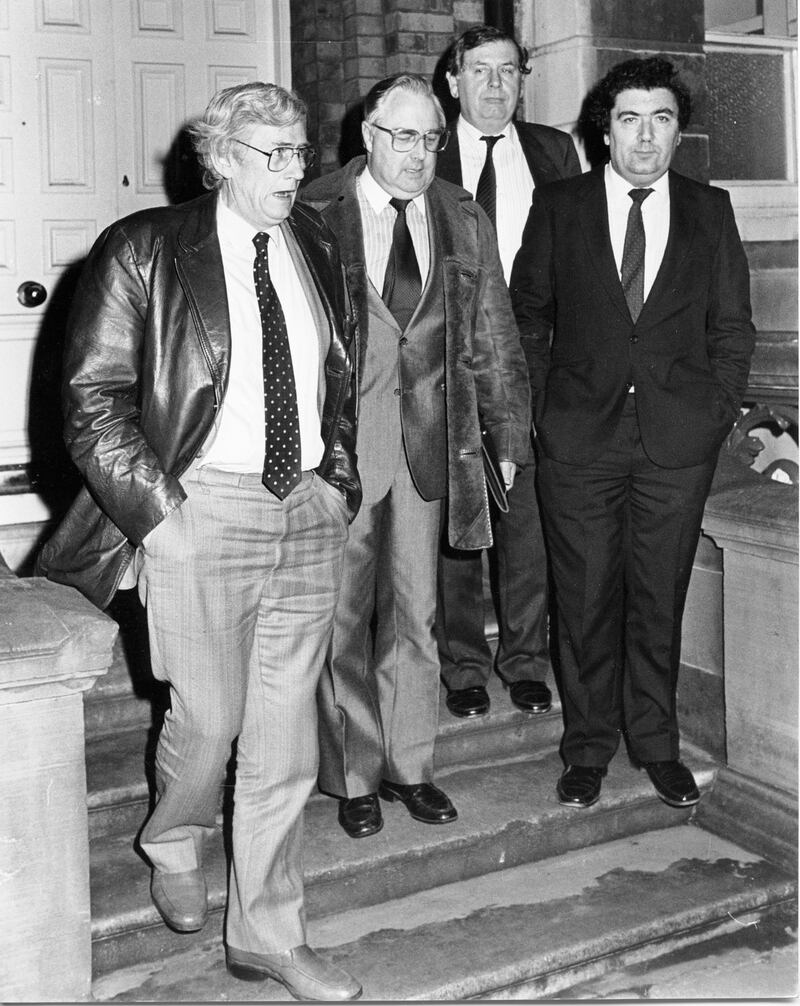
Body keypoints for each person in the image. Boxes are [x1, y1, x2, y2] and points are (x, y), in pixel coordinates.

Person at [36, 82, 363, 1001]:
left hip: (303, 510)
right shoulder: (145, 249)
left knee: (286, 737)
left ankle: (268, 931)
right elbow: (91, 404)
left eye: (299, 153)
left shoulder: (320, 244)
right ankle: (172, 836)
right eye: (271, 154)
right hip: (199, 510)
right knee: (210, 719)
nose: (292, 172)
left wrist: (335, 483)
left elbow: (340, 376)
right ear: (219, 159)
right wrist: (160, 518)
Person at [509, 56, 755, 811]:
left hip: (676, 443)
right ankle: (586, 747)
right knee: (581, 601)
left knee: (659, 598)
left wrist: (714, 414)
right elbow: (527, 317)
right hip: (580, 440)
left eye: (662, 120)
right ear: (603, 130)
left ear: (678, 131)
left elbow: (733, 330)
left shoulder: (710, 210)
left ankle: (655, 744)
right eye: (628, 119)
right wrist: (548, 411)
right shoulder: (560, 205)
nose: (645, 137)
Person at [301, 73, 530, 840]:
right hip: (339, 454)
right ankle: (353, 773)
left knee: (418, 616)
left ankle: (411, 766)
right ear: (368, 135)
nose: (419, 153)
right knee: (340, 619)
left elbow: (494, 333)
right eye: (403, 136)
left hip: (432, 449)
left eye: (431, 138)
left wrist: (505, 437)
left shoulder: (462, 214)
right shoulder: (312, 209)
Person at [434, 24, 581, 720]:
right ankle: (462, 663)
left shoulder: (555, 150)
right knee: (459, 507)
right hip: (450, 355)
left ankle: (524, 658)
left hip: (536, 356)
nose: (496, 86)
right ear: (452, 80)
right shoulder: (424, 155)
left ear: (523, 81)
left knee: (525, 514)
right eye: (480, 71)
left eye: (509, 72)